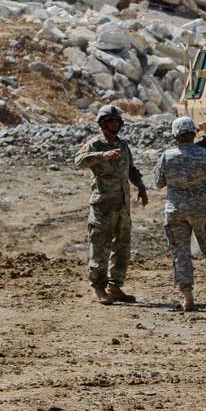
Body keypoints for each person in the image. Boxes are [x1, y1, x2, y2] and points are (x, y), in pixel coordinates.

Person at [154, 116, 206, 312]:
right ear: (194, 133)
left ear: (175, 135)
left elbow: (158, 183)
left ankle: (188, 296)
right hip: (202, 210)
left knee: (180, 252)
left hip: (175, 211)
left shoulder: (167, 156)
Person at [74, 104, 148, 305]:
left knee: (123, 246)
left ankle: (115, 286)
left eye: (117, 120)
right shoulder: (96, 144)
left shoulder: (123, 145)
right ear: (102, 123)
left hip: (123, 205)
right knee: (101, 245)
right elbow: (78, 161)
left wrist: (141, 187)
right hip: (103, 206)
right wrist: (101, 156)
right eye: (111, 120)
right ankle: (99, 288)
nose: (115, 124)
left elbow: (131, 169)